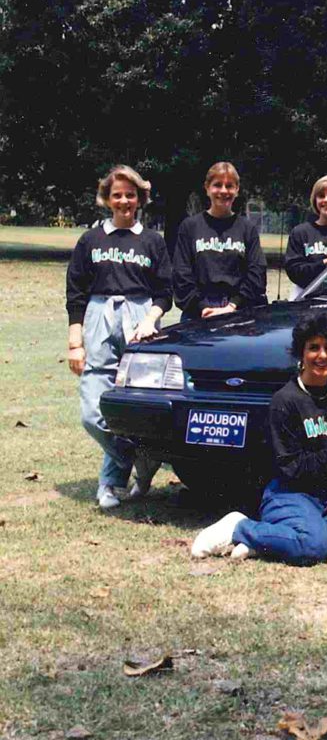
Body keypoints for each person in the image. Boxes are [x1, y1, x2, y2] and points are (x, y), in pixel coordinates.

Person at [191, 312, 327, 564]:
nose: (323, 356)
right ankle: (239, 528)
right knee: (312, 549)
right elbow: (293, 468)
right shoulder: (285, 402)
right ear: (301, 354)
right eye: (313, 348)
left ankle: (274, 543)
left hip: (325, 502)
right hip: (288, 496)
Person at [65, 165, 172, 509]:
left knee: (134, 405)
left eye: (130, 194)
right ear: (106, 199)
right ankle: (140, 457)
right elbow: (75, 294)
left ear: (140, 198)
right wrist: (75, 342)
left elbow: (164, 291)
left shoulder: (153, 240)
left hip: (139, 318)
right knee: (92, 413)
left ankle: (110, 484)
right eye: (117, 195)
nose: (124, 200)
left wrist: (151, 320)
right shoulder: (91, 240)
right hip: (98, 317)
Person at [172, 162, 268, 320]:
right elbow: (181, 275)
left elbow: (257, 274)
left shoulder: (247, 228)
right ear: (207, 188)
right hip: (197, 314)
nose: (224, 191)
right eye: (217, 185)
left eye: (229, 186)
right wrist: (203, 307)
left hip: (239, 312)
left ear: (237, 189)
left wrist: (233, 305)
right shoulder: (190, 227)